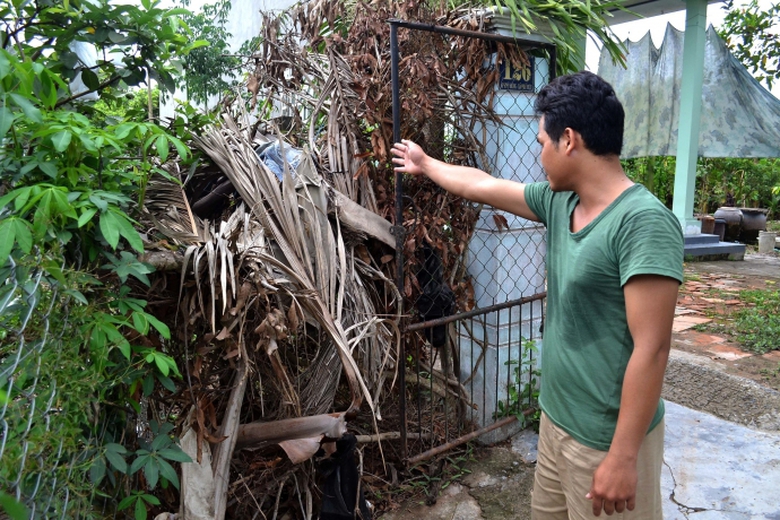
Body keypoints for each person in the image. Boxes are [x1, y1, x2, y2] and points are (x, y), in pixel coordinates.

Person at [391, 70, 683, 519]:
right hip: (556, 420)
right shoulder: (560, 201)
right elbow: (483, 185)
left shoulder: (642, 222)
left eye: (542, 142)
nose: (538, 152)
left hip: (606, 439)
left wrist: (623, 456)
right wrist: (425, 163)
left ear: (569, 140)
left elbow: (653, 347)